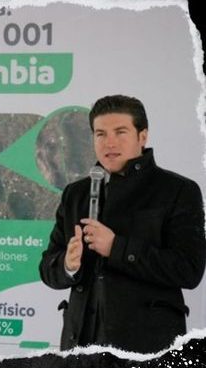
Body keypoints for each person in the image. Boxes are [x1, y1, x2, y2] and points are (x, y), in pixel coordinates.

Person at [39, 95, 206, 353]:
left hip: (146, 347)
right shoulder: (76, 193)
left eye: (120, 132)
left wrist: (117, 247)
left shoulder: (178, 191)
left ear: (142, 136)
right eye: (100, 134)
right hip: (79, 347)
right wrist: (67, 265)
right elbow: (48, 269)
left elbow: (189, 270)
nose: (109, 142)